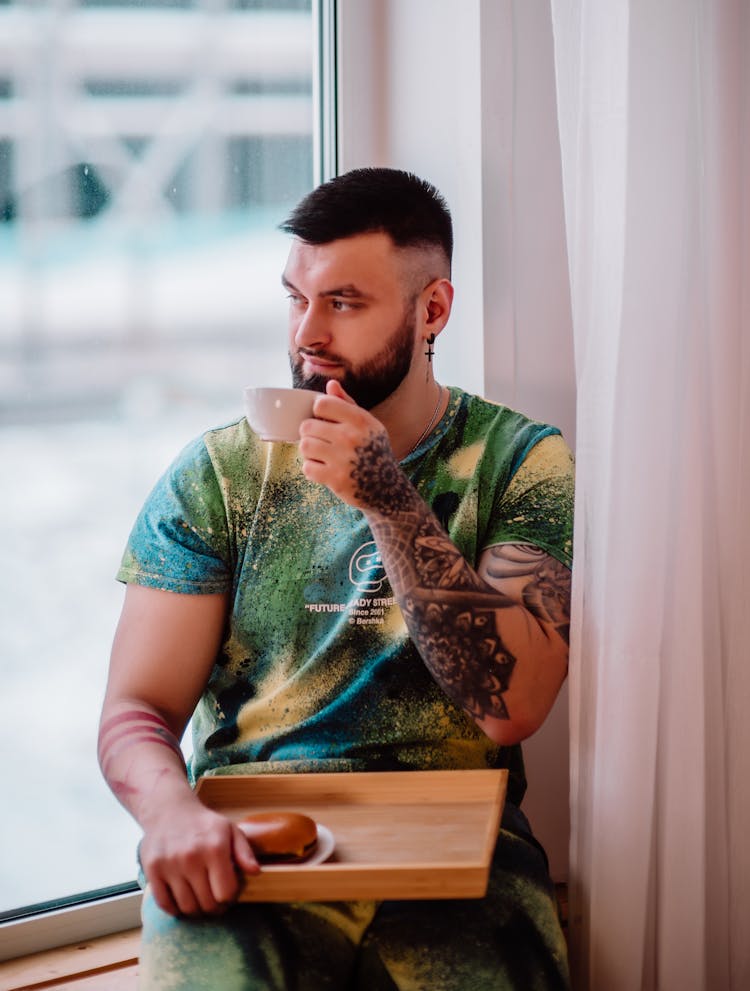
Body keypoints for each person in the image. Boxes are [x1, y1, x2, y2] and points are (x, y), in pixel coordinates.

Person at [98, 167, 574, 990]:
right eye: (296, 298)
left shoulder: (520, 462)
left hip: (461, 856)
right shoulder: (218, 475)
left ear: (433, 310)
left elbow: (512, 706)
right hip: (243, 848)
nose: (306, 334)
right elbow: (137, 710)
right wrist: (171, 817)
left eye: (343, 303)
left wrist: (388, 499)